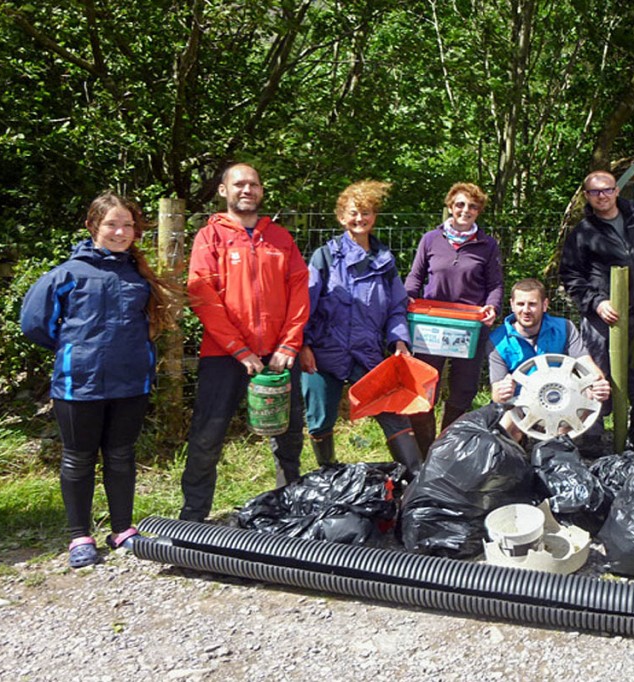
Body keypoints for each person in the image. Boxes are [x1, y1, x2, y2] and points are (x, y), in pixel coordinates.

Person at [21, 192, 176, 568]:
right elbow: (34, 325)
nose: (120, 232)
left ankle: (123, 529)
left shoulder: (139, 275)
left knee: (121, 457)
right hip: (79, 385)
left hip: (131, 383)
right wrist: (77, 351)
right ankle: (80, 536)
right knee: (78, 458)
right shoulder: (66, 274)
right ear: (93, 227)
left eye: (128, 225)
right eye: (112, 224)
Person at [180, 163, 308, 523]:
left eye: (253, 184)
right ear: (223, 191)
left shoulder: (281, 239)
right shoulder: (210, 238)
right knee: (208, 435)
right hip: (224, 354)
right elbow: (201, 294)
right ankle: (193, 516)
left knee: (288, 436)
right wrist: (238, 349)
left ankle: (289, 511)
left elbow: (299, 292)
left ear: (262, 191)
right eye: (239, 184)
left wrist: (289, 345)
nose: (247, 190)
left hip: (279, 355)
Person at [299, 181, 423, 476]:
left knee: (393, 412)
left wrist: (399, 342)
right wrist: (302, 345)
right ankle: (328, 474)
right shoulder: (324, 258)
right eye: (353, 212)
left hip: (367, 354)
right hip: (323, 354)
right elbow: (304, 305)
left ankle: (417, 478)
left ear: (374, 217)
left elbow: (396, 307)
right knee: (319, 418)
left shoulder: (385, 261)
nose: (360, 219)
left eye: (366, 212)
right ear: (341, 217)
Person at [559, 169, 634, 448]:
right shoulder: (582, 233)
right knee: (595, 379)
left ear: (618, 191)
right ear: (587, 196)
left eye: (607, 189)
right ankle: (592, 440)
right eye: (595, 192)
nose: (602, 196)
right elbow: (571, 276)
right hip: (602, 321)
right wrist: (596, 302)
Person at [405, 182, 504, 453]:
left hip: (469, 327)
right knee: (425, 387)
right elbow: (416, 275)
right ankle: (424, 450)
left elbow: (495, 284)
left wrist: (492, 307)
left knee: (463, 388)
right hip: (431, 324)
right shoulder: (431, 239)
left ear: (479, 211)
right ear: (450, 206)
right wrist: (407, 299)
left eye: (472, 206)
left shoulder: (487, 244)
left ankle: (448, 448)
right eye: (460, 204)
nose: (465, 210)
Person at [488, 279, 610, 441]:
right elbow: (496, 395)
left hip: (561, 398)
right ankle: (515, 449)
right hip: (521, 404)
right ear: (512, 305)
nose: (526, 310)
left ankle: (560, 443)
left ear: (544, 305)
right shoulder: (497, 340)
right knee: (504, 427)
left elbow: (585, 363)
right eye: (520, 304)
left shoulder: (564, 327)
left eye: (532, 304)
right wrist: (503, 390)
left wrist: (599, 382)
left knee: (589, 390)